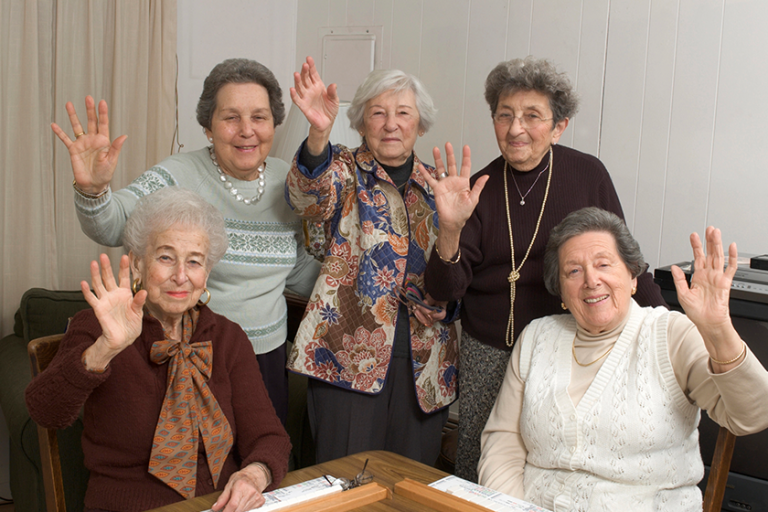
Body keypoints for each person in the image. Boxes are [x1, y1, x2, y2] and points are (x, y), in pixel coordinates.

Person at [421, 56, 667, 481]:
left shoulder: (587, 174)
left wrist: (665, 334)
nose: (516, 128)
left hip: (571, 350)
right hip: (491, 352)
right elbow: (445, 289)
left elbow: (626, 263)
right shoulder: (477, 187)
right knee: (484, 465)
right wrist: (449, 229)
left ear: (559, 127)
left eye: (532, 116)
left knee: (559, 466)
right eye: (505, 115)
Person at [51, 58, 320, 425]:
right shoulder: (178, 173)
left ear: (274, 124)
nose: (247, 130)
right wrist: (93, 189)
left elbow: (298, 269)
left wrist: (361, 284)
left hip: (268, 358)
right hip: (197, 351)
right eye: (230, 117)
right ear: (208, 127)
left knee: (264, 466)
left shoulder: (290, 181)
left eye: (259, 117)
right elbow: (112, 226)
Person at [477, 207, 768, 511]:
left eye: (603, 264)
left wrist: (719, 330)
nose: (591, 280)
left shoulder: (670, 334)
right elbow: (503, 445)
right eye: (573, 271)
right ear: (561, 291)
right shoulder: (537, 337)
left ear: (632, 277)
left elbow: (752, 416)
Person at [26, 188, 291, 512]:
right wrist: (104, 350)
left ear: (206, 274)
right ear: (137, 264)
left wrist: (253, 475)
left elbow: (271, 438)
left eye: (194, 261)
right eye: (166, 257)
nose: (180, 276)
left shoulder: (227, 338)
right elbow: (44, 411)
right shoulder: (97, 327)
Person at [284, 56, 459, 465]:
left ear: (421, 124)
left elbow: (461, 269)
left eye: (403, 113)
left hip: (424, 365)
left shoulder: (441, 186)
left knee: (409, 489)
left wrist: (450, 304)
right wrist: (317, 135)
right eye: (377, 113)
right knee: (344, 485)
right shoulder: (342, 169)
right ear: (361, 123)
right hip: (344, 363)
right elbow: (307, 197)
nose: (390, 124)